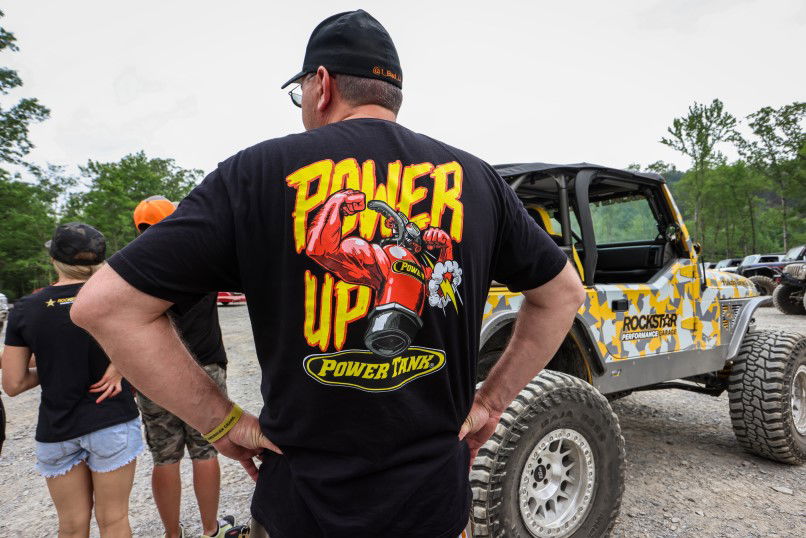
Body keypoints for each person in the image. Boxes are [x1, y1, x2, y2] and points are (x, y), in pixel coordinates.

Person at [72, 9, 586, 538]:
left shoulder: (255, 175)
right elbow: (563, 294)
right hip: (432, 507)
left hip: (303, 510)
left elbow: (105, 307)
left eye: (299, 94)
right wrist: (491, 402)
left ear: (321, 85)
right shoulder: (477, 180)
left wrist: (220, 421)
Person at [2, 223, 142, 537]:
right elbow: (150, 343)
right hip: (111, 419)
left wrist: (55, 367)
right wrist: (118, 365)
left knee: (71, 526)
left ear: (54, 259)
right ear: (101, 259)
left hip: (57, 428)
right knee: (114, 519)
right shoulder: (120, 297)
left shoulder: (26, 308)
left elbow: (13, 384)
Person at [132, 195, 235, 538]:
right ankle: (209, 529)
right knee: (206, 448)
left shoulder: (134, 265)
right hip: (206, 365)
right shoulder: (201, 257)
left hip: (153, 371)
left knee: (165, 456)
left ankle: (172, 534)